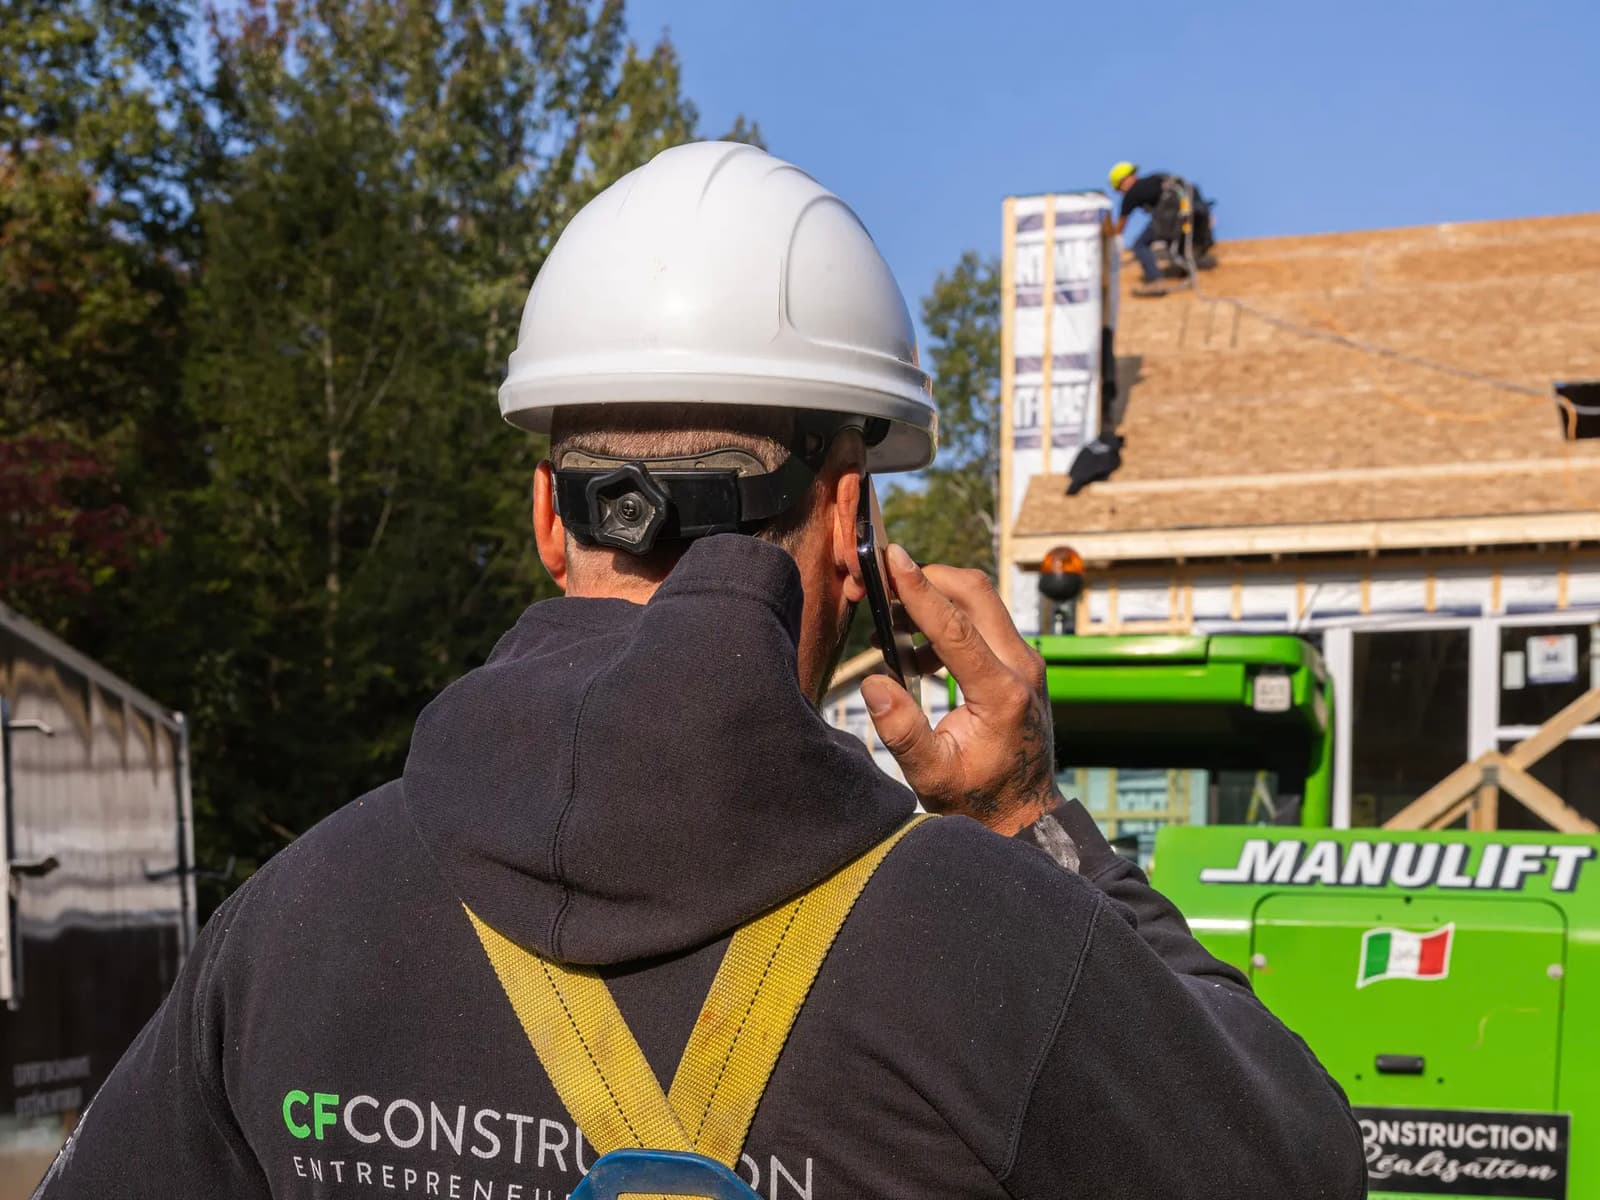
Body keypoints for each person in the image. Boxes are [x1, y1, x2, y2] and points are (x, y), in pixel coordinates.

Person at [34, 142, 1363, 1199]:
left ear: (550, 517)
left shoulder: (290, 925)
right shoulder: (999, 942)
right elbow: (1298, 1169)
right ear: (851, 527)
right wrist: (1026, 820)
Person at [1110, 161, 1212, 292]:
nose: (1120, 193)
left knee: (1140, 245)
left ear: (1123, 182)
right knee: (1174, 242)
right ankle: (1186, 268)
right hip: (1189, 212)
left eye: (1118, 188)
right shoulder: (1157, 178)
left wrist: (1107, 236)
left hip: (1169, 218)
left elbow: (1120, 226)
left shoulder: (1132, 193)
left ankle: (1154, 280)